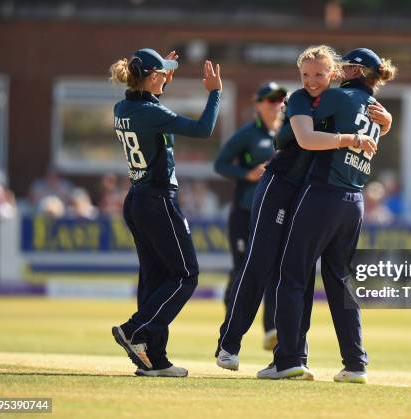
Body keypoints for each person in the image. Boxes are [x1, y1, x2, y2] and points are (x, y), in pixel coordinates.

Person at [215, 45, 391, 373]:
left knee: (299, 275)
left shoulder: (338, 101)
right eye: (306, 74)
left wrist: (386, 121)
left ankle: (295, 358)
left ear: (335, 73)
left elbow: (365, 117)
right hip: (280, 185)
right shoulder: (299, 98)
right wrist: (354, 135)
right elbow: (308, 139)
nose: (312, 80)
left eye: (319, 74)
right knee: (259, 263)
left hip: (310, 193)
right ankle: (229, 343)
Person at [108, 48, 222, 377]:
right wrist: (215, 93)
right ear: (152, 76)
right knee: (187, 275)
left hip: (137, 199)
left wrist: (161, 85)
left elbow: (147, 108)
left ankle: (154, 360)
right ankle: (135, 330)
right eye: (162, 74)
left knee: (155, 278)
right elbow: (203, 129)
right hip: (158, 199)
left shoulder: (124, 106)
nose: (167, 78)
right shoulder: (148, 111)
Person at [214, 82, 286, 349]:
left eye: (279, 99)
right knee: (243, 270)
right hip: (245, 212)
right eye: (269, 100)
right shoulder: (247, 135)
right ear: (258, 104)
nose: (275, 104)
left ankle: (272, 331)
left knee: (273, 270)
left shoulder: (289, 132)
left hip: (275, 213)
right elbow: (220, 163)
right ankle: (231, 327)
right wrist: (247, 174)